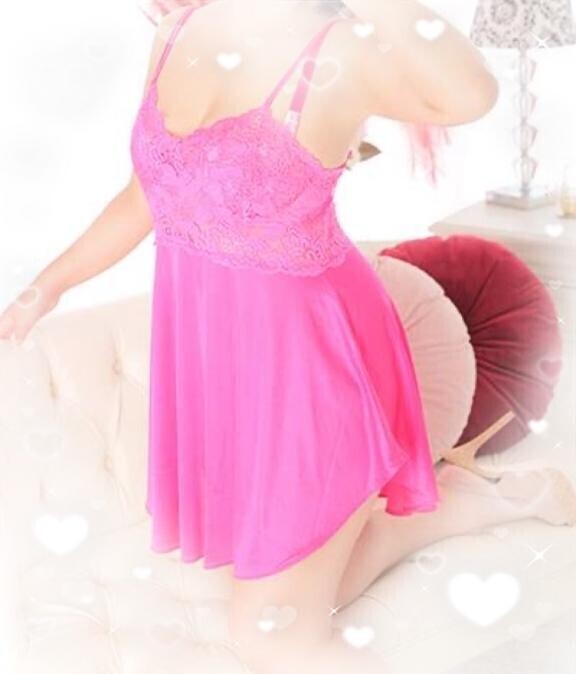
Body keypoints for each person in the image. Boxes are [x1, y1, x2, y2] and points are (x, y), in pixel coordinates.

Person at [1, 1, 574, 673]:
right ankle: (474, 502)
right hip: (225, 370)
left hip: (314, 366)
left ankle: (462, 503)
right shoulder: (178, 32)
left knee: (273, 636)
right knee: (274, 581)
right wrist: (47, 286)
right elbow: (144, 195)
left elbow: (471, 95)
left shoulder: (335, 50)